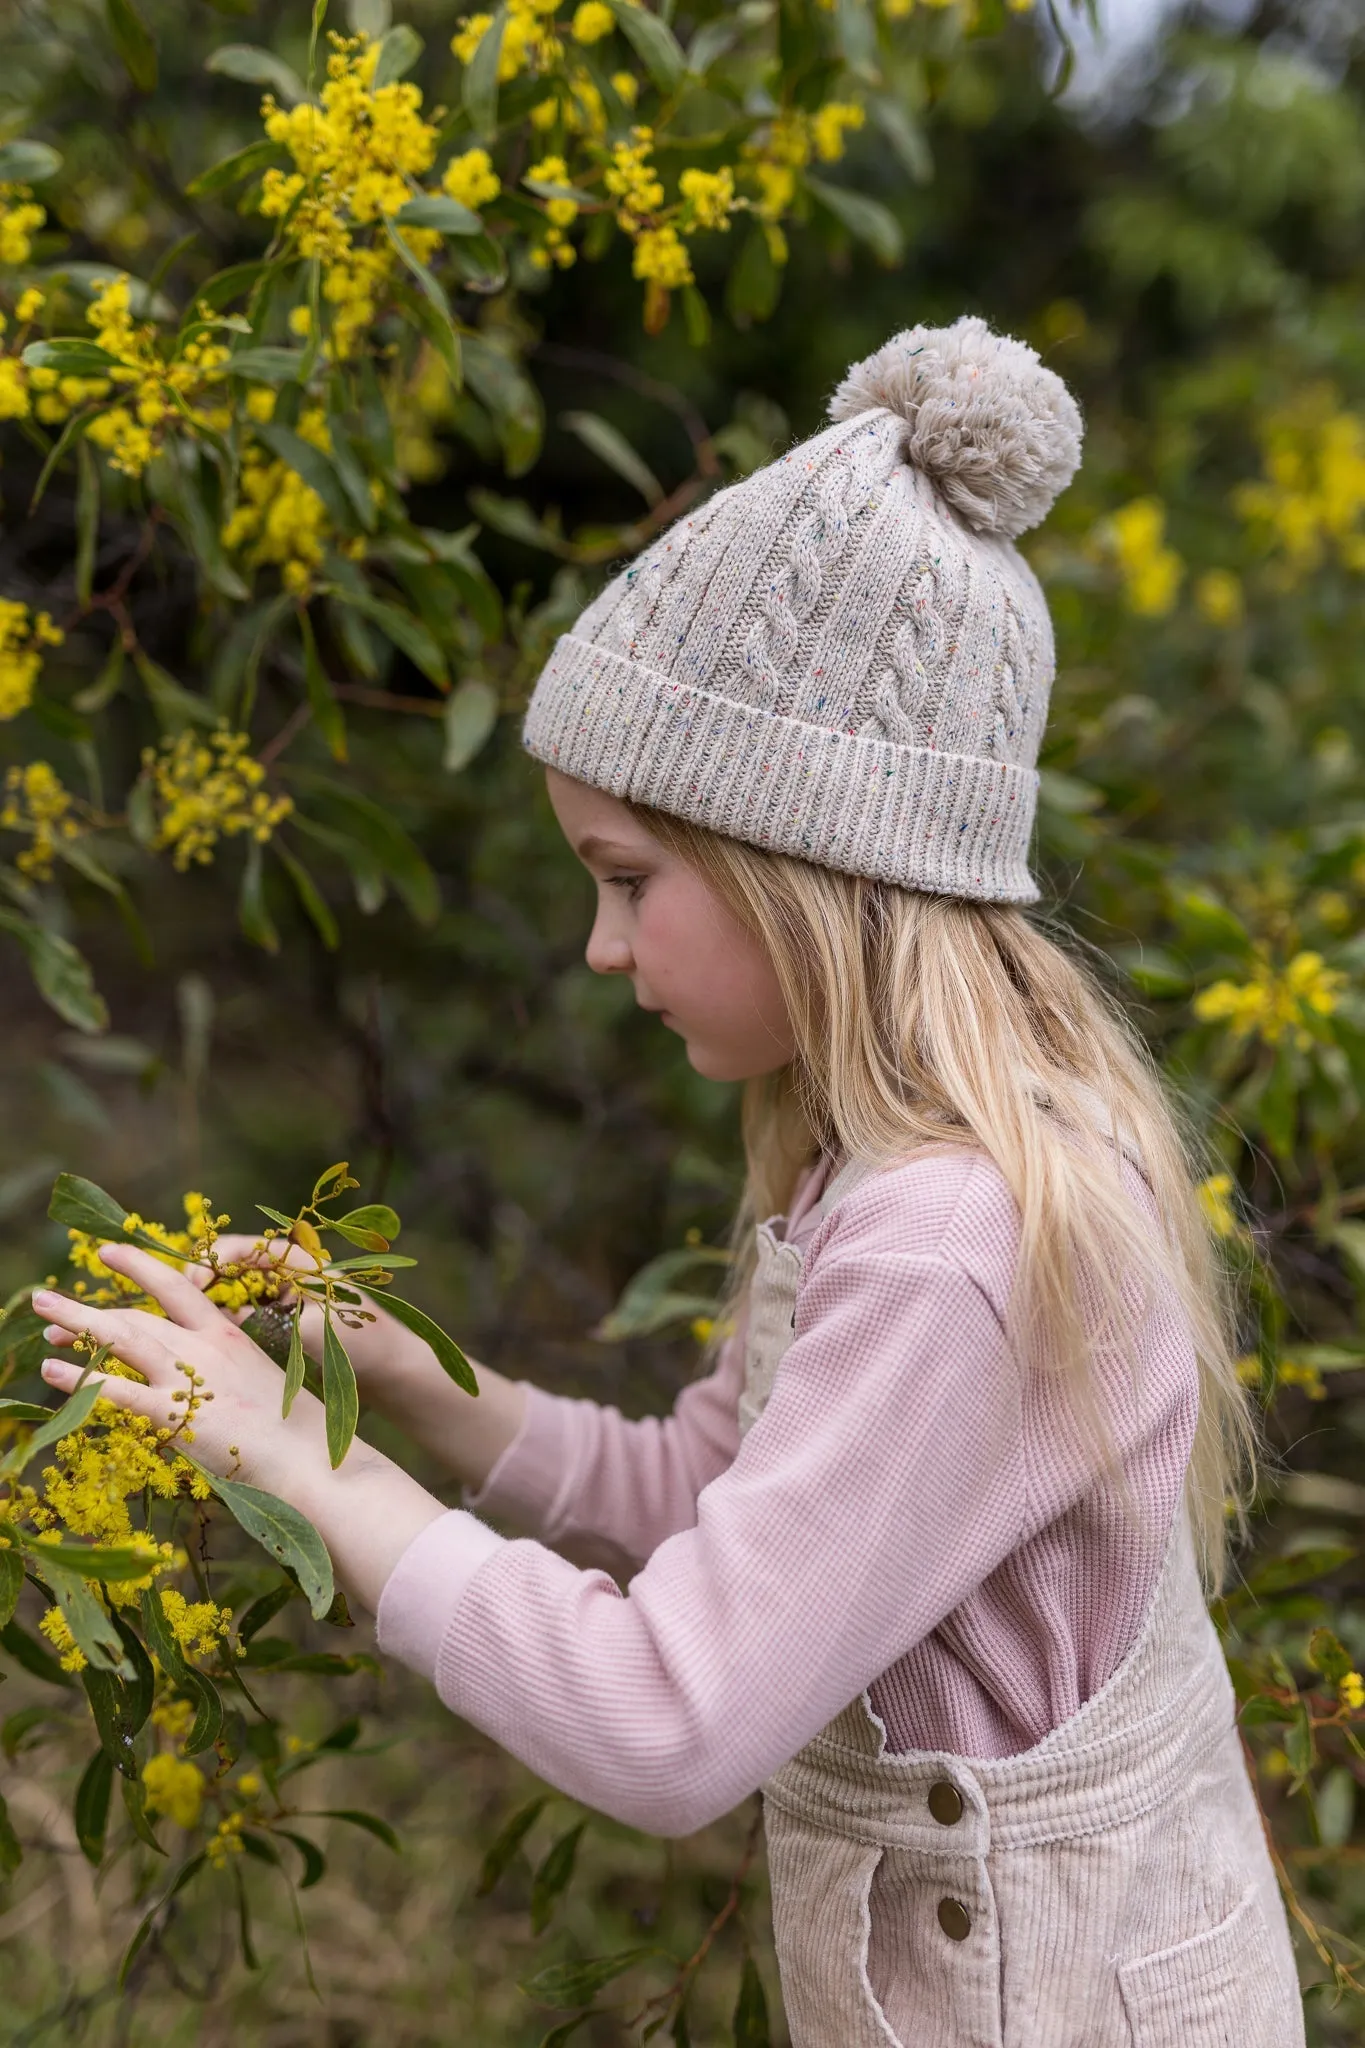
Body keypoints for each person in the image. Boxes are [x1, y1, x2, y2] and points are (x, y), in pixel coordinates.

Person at [34, 319, 1303, 2046]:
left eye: (630, 881)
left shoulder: (957, 1241)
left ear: (809, 870)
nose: (599, 944)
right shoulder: (889, 1155)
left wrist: (274, 1457)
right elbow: (724, 1486)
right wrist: (418, 1391)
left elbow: (668, 1720)